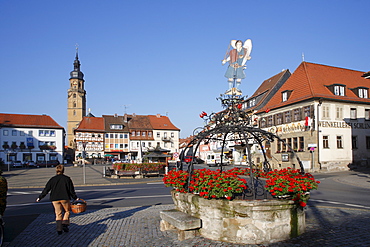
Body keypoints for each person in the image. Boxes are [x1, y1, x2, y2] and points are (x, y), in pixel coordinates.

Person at [36, 165, 78, 235]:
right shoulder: (67, 179)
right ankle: (65, 223)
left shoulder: (52, 179)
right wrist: (75, 197)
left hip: (55, 198)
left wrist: (40, 197)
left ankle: (59, 229)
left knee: (58, 214)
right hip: (65, 198)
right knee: (67, 211)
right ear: (63, 170)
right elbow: (71, 190)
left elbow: (46, 189)